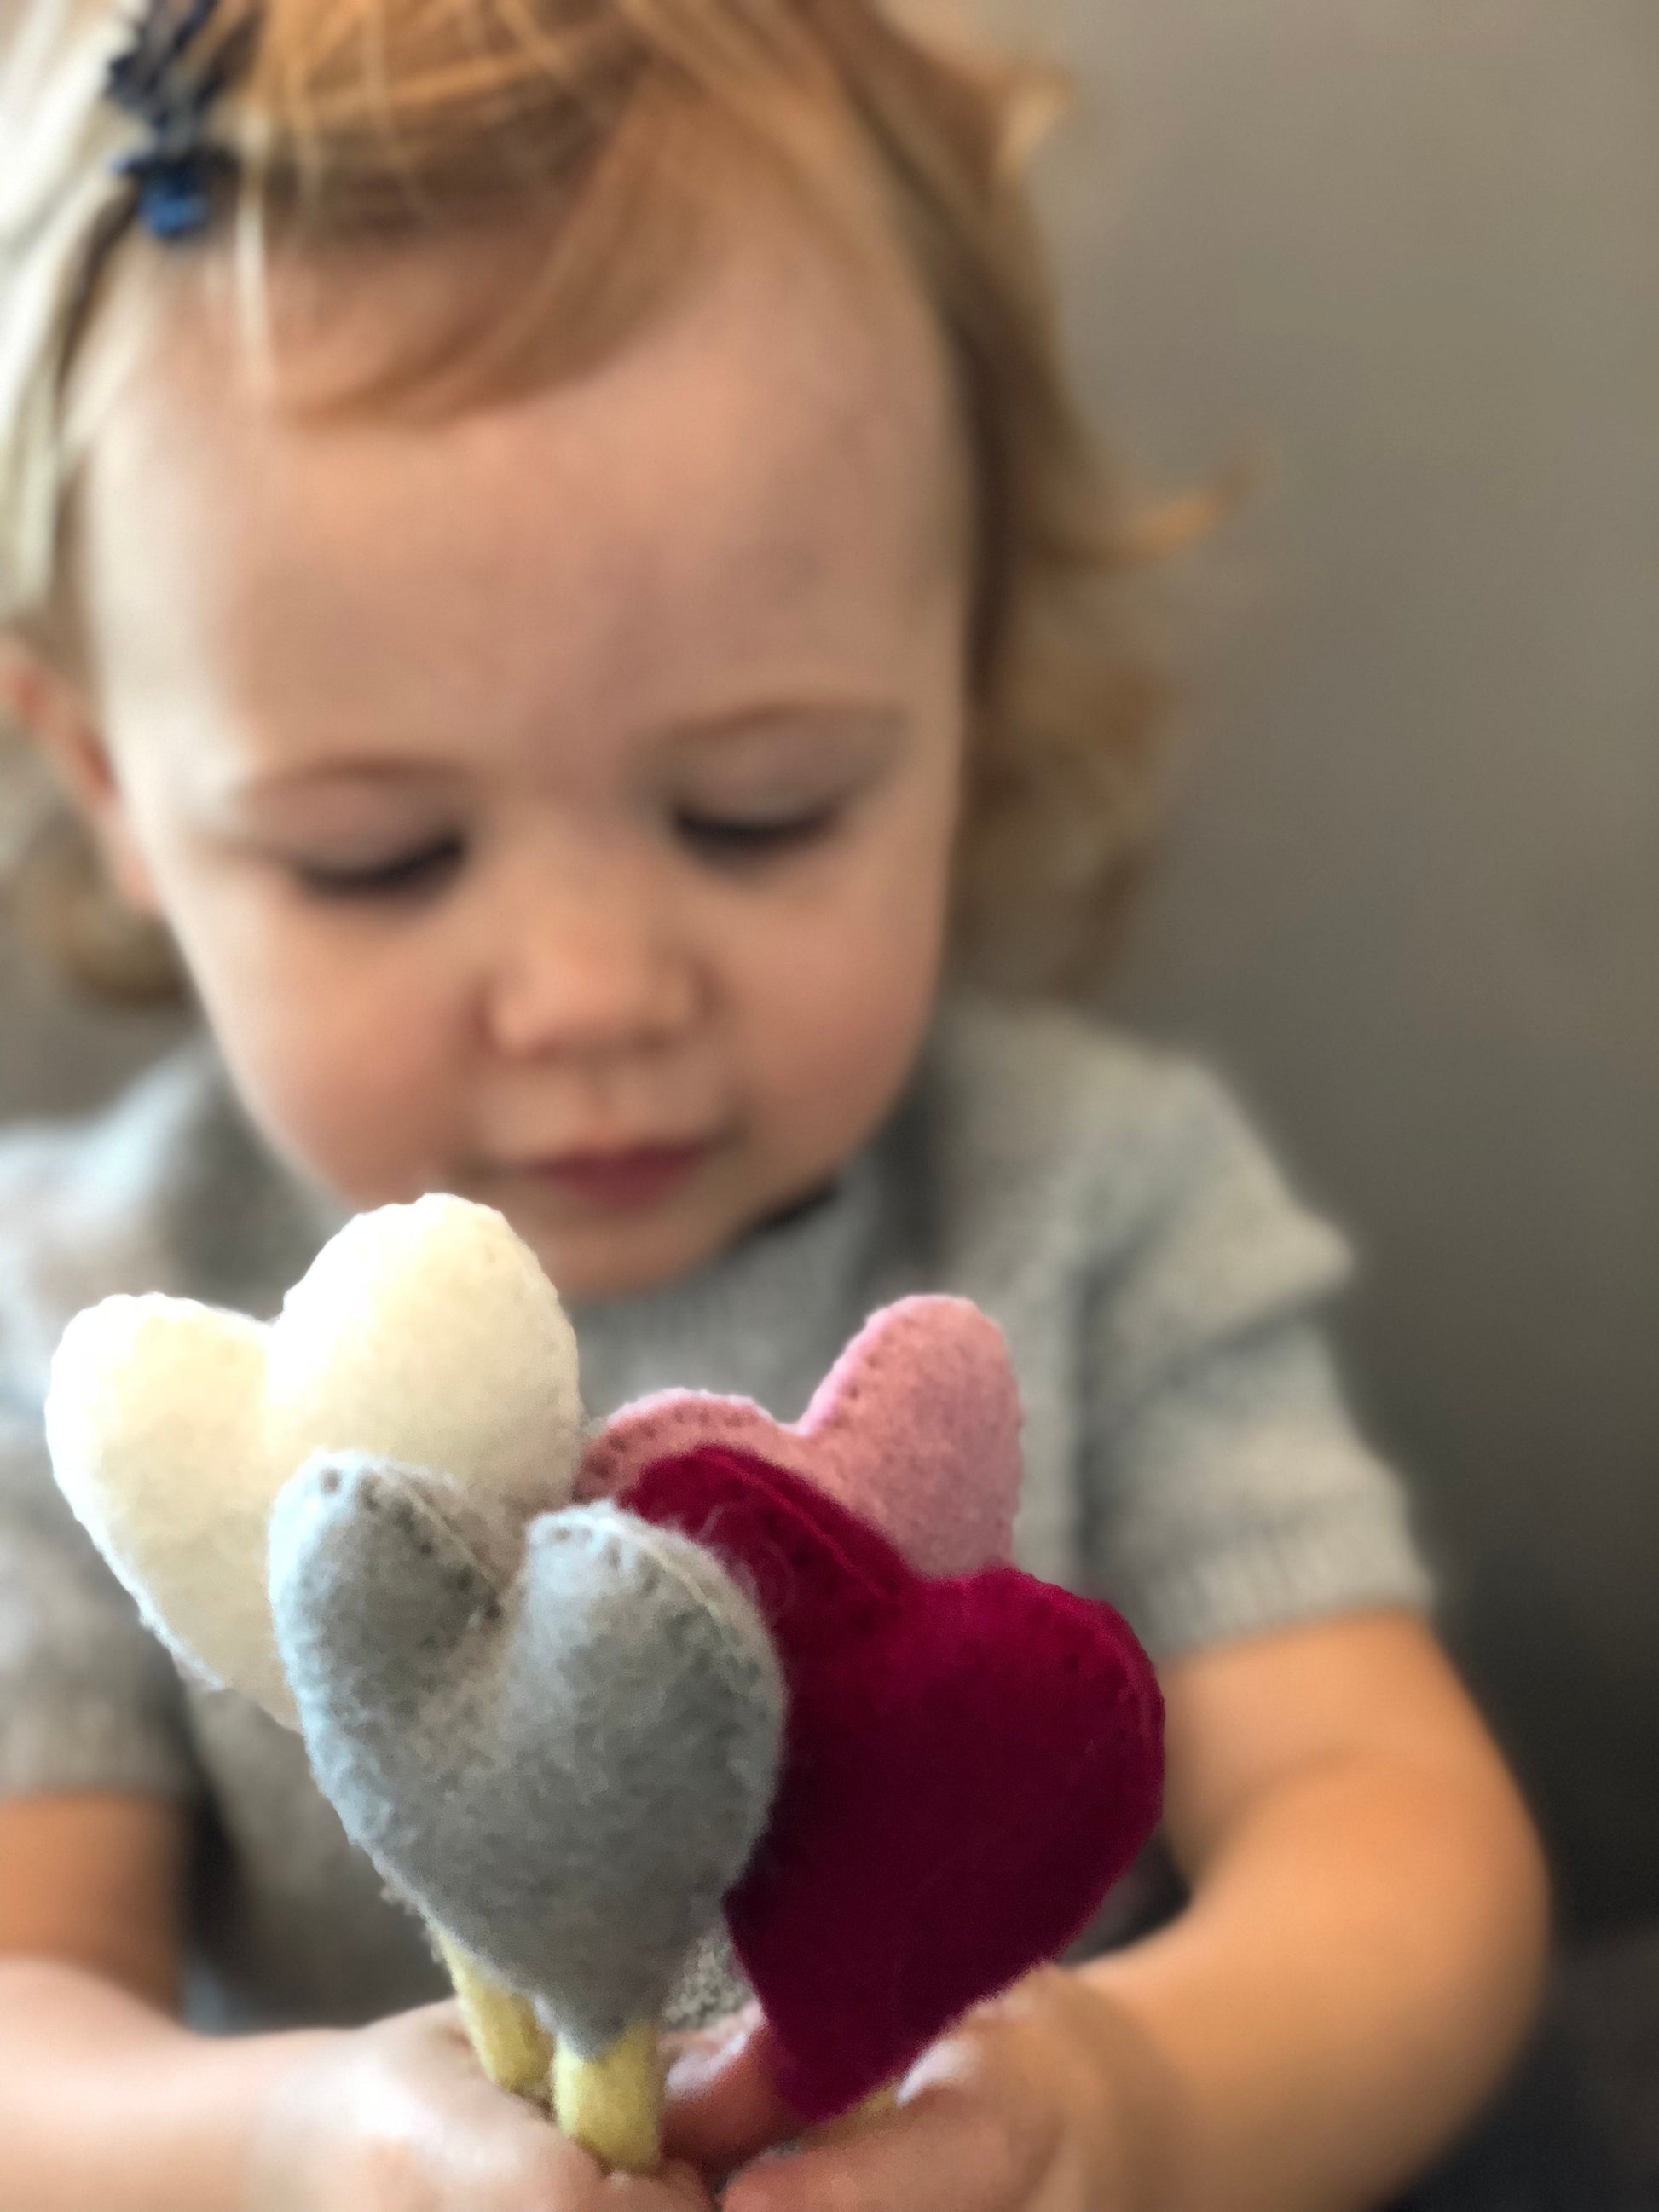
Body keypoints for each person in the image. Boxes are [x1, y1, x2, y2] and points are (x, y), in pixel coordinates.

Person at [0, 0, 1549, 2205]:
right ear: (112, 786)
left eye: (760, 807)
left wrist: (1131, 2107)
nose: (593, 992)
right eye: (381, 854)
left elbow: (1390, 1841)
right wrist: (289, 2148)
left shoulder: (1094, 1203)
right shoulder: (88, 1336)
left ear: (962, 676)